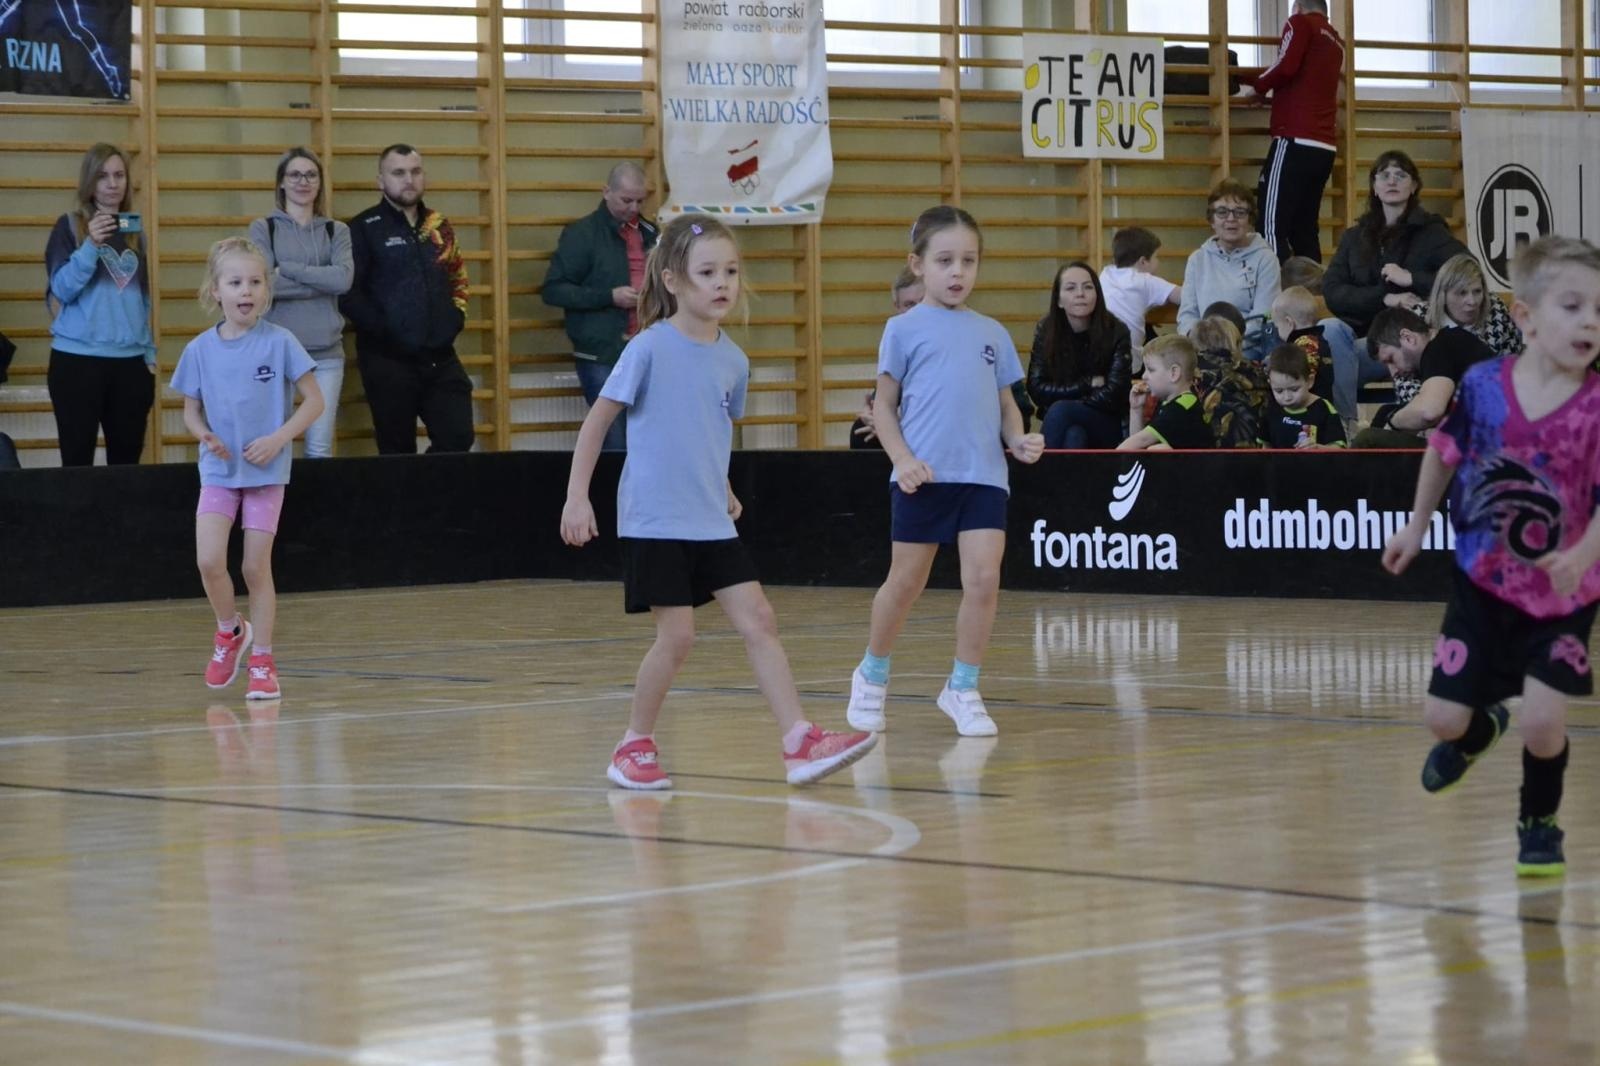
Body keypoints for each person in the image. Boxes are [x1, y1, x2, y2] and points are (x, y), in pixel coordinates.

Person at [560, 214, 876, 789]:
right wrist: (577, 498)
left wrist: (724, 486)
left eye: (730, 271)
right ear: (675, 281)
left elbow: (712, 431)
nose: (722, 282)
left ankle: (798, 740)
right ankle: (633, 744)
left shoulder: (735, 360)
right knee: (677, 637)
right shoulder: (649, 347)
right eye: (708, 272)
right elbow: (596, 423)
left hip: (710, 520)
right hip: (654, 520)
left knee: (760, 619)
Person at [1382, 235, 1600, 878]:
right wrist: (1417, 525)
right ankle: (1478, 733)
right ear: (1527, 317)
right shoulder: (1481, 386)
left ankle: (1539, 821)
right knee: (1443, 718)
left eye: (1599, 309)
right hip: (1481, 583)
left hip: (1562, 596)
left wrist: (1583, 555)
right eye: (1572, 306)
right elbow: (1443, 452)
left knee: (1542, 720)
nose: (1590, 320)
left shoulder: (1595, 409)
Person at [843, 206, 1044, 739]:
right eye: (946, 260)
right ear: (918, 265)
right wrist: (903, 460)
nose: (958, 272)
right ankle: (872, 673)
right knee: (906, 582)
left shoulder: (993, 333)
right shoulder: (902, 330)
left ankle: (963, 685)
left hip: (983, 478)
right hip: (924, 478)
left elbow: (1006, 404)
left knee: (982, 581)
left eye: (969, 261)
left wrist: (1016, 438)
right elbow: (884, 406)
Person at [172, 238, 325, 700]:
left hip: (265, 477)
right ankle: (230, 632)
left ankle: (263, 660)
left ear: (266, 290)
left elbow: (314, 401)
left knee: (255, 567)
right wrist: (204, 434)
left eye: (255, 281)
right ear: (215, 290)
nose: (247, 290)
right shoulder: (199, 350)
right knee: (208, 561)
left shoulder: (280, 342)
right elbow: (190, 411)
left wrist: (280, 438)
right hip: (219, 473)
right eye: (236, 281)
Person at [341, 144, 473, 454]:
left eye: (415, 171)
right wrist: (387, 331)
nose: (408, 180)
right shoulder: (362, 228)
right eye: (398, 173)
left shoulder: (439, 225)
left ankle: (432, 500)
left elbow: (458, 277)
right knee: (397, 452)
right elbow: (348, 293)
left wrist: (455, 318)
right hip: (388, 362)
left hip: (440, 357)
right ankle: (407, 503)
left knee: (457, 438)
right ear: (381, 180)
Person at [1325, 150, 1467, 422]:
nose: (1392, 181)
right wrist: (1385, 298)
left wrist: (1412, 278)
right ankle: (1343, 425)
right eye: (1385, 175)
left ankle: (1362, 426)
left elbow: (1465, 275)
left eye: (1401, 175)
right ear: (1375, 187)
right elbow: (1333, 292)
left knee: (1328, 371)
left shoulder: (1432, 233)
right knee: (1330, 332)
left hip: (1408, 345)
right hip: (1361, 346)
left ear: (1413, 186)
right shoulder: (1354, 238)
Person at [44, 142, 155, 466]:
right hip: (77, 362)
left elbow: (142, 299)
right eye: (103, 175)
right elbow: (62, 290)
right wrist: (91, 245)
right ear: (89, 182)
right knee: (77, 465)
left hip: (130, 364)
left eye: (119, 175)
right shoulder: (69, 226)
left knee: (126, 467)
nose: (112, 183)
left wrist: (148, 355)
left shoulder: (136, 233)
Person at [544, 162, 659, 453]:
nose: (634, 208)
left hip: (646, 349)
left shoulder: (651, 232)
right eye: (626, 200)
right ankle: (610, 498)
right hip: (600, 352)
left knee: (650, 438)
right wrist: (609, 296)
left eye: (640, 201)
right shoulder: (581, 234)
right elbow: (554, 290)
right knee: (614, 439)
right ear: (606, 192)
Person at [248, 147, 352, 458]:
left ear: (320, 183)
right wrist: (320, 280)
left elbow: (343, 281)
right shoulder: (263, 228)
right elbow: (264, 285)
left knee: (319, 447)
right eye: (294, 174)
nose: (302, 181)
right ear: (281, 182)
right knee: (272, 444)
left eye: (310, 175)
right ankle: (273, 508)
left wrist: (288, 269)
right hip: (275, 352)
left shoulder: (336, 231)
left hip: (326, 354)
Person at [1236, 0, 1345, 264]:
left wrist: (1259, 87)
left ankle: (1275, 296)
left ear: (1296, 7)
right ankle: (1313, 298)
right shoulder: (1336, 41)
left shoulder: (1299, 23)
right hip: (1324, 147)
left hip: (1294, 140)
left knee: (1271, 225)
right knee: (1305, 230)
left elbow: (1286, 65)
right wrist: (1263, 87)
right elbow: (1303, 82)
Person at [1026, 261, 1132, 449]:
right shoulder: (1046, 329)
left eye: (1088, 287)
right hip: (1065, 420)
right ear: (1058, 300)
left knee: (1061, 411)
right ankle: (1066, 479)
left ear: (1097, 295)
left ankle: (1039, 476)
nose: (1080, 294)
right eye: (1070, 288)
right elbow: (1036, 389)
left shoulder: (1117, 331)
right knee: (1074, 436)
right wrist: (1086, 385)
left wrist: (1071, 403)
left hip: (1106, 420)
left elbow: (1116, 392)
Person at [1352, 307, 1493, 448]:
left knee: (1368, 439)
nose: (1393, 372)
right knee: (1385, 412)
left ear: (1408, 338)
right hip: (1483, 437)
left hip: (1488, 446)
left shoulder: (1439, 348)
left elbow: (1429, 411)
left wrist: (1392, 423)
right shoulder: (1448, 342)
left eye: (1391, 359)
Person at [1178, 180, 1281, 362]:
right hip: (1201, 349)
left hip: (1246, 349)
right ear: (1212, 219)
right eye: (1222, 212)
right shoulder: (1197, 259)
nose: (1231, 219)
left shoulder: (1266, 259)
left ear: (1250, 219)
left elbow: (1263, 317)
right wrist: (1200, 342)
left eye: (1240, 212)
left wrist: (1227, 345)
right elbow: (1188, 314)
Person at [851, 267, 923, 449]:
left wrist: (895, 426)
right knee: (862, 431)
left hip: (946, 435)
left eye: (922, 303)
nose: (916, 313)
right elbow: (883, 403)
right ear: (897, 308)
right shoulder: (899, 345)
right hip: (913, 432)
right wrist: (872, 416)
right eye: (909, 305)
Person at [1098, 226, 1181, 364]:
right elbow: (1184, 296)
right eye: (1156, 257)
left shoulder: (1105, 274)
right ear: (1143, 261)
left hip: (1099, 358)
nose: (1158, 262)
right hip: (1130, 362)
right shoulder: (1146, 281)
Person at [1120, 333, 1212, 450]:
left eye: (1151, 370)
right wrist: (1136, 409)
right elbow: (1138, 449)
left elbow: (1141, 440)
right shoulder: (1168, 402)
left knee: (1157, 449)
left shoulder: (1181, 407)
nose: (1144, 376)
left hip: (1198, 467)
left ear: (1174, 373)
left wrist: (1109, 464)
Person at [1190, 315, 1269, 448]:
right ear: (1236, 342)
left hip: (1198, 456)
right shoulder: (1257, 372)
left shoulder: (1188, 375)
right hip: (1255, 455)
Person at [1428, 252, 1525, 357]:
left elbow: (1512, 364)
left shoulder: (1496, 311)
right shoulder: (1421, 318)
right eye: (1462, 293)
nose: (1472, 301)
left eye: (1477, 291)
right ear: (1443, 295)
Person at [1257, 343, 1345, 449]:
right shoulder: (1271, 408)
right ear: (1270, 383)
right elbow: (1266, 446)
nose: (1287, 397)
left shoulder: (1324, 409)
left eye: (1294, 389)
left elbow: (1339, 449)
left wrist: (1319, 448)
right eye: (1279, 391)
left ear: (1310, 381)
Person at [1271, 285, 1332, 400]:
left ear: (1289, 322)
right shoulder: (1319, 340)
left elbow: (1294, 375)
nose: (1277, 332)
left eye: (1277, 326)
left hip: (1311, 405)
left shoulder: (1305, 345)